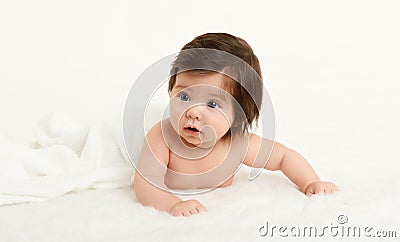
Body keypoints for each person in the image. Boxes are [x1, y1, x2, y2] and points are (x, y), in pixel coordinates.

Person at [133, 33, 338, 217]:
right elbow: (145, 182)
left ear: (238, 115)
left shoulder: (239, 143)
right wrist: (173, 205)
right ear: (170, 93)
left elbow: (283, 157)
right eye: (184, 96)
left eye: (212, 104)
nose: (193, 112)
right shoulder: (163, 136)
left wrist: (311, 182)